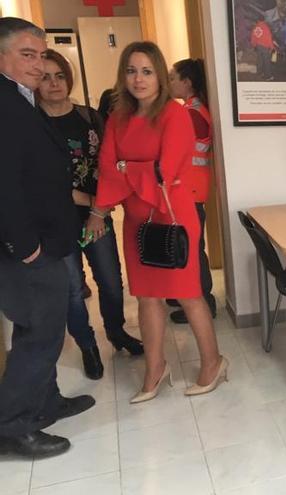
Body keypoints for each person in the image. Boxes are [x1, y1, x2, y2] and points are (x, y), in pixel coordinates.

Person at [96, 41, 226, 403]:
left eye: (147, 71)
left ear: (159, 76)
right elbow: (107, 166)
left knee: (188, 295)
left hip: (173, 214)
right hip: (137, 219)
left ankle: (213, 363)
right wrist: (129, 172)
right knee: (147, 297)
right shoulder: (117, 117)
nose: (139, 79)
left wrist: (127, 168)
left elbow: (165, 171)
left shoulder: (174, 114)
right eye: (131, 70)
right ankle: (155, 369)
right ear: (124, 75)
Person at [0, 17, 95, 458]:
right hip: (29, 246)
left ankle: (45, 402)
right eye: (27, 55)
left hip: (47, 239)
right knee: (39, 333)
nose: (38, 66)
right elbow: (4, 182)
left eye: (41, 55)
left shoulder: (21, 98)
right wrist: (25, 245)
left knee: (46, 329)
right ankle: (13, 427)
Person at [37, 49, 144, 381]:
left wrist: (100, 207)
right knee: (71, 289)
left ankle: (116, 332)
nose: (54, 83)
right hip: (55, 224)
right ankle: (87, 346)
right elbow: (37, 181)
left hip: (97, 215)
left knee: (112, 283)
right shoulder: (31, 123)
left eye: (59, 76)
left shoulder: (90, 118)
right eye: (45, 77)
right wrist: (85, 198)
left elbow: (111, 167)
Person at [167, 58, 217, 325]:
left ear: (186, 82)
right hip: (191, 189)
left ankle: (203, 302)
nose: (169, 82)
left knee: (193, 248)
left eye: (173, 77)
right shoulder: (193, 109)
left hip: (189, 190)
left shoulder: (190, 114)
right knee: (188, 246)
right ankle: (188, 296)